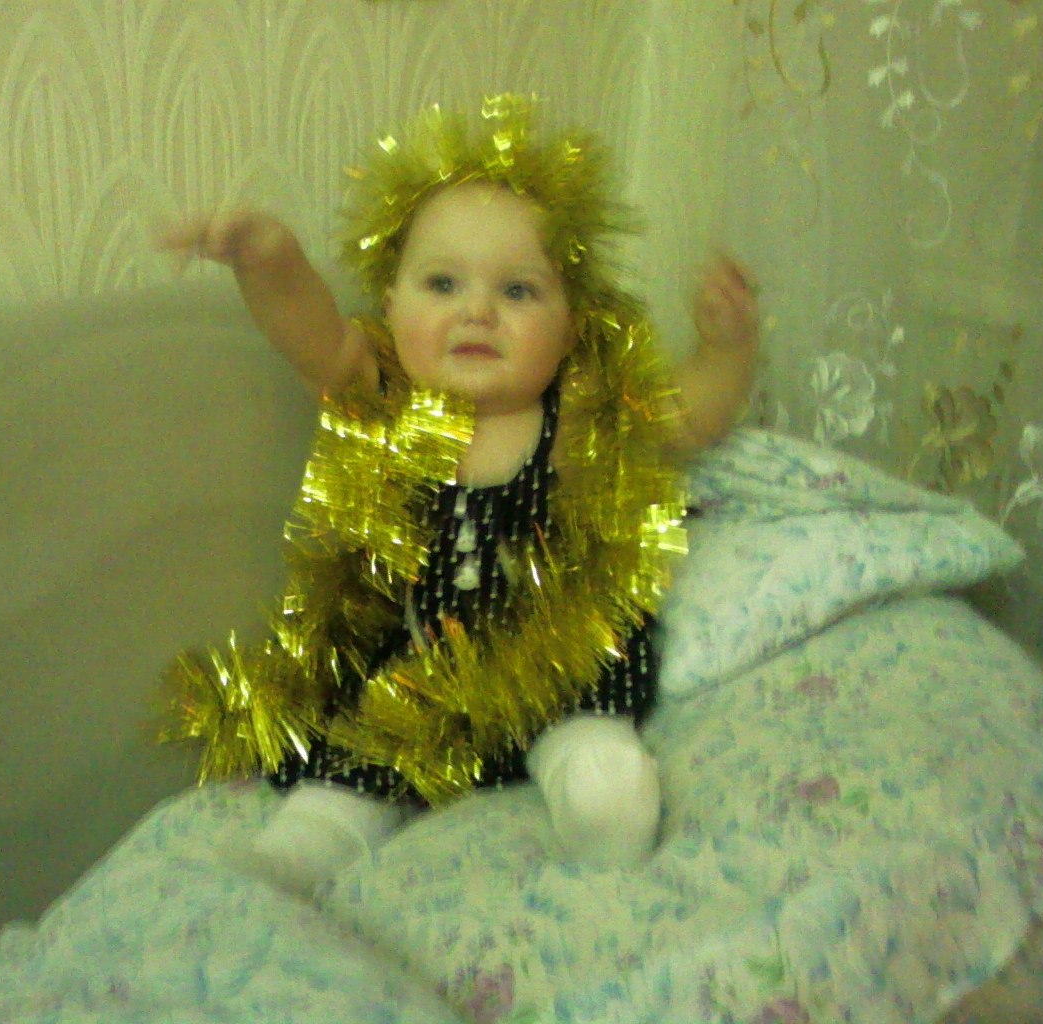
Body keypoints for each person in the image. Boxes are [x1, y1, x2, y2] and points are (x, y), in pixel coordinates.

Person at [158, 96, 758, 897]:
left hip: (554, 671)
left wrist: (727, 346)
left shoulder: (578, 412)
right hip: (420, 679)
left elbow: (689, 416)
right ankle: (292, 865)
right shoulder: (388, 397)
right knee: (349, 776)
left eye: (519, 291)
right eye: (442, 283)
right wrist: (267, 260)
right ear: (391, 306)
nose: (478, 311)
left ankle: (606, 832)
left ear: (571, 325)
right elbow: (314, 339)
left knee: (602, 769)